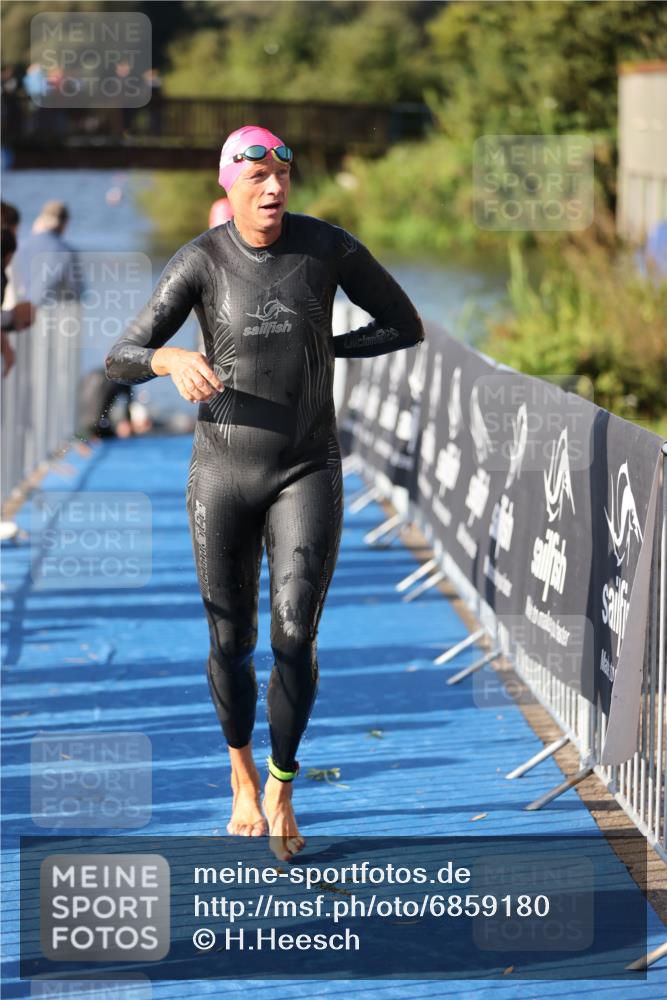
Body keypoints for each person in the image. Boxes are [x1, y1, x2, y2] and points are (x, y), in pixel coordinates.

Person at [105, 124, 425, 860]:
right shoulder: (201, 260)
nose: (274, 188)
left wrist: (325, 348)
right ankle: (240, 771)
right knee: (231, 643)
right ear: (229, 185)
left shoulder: (328, 247)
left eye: (282, 175)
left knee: (295, 637)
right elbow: (120, 356)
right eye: (257, 178)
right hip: (221, 473)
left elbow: (403, 325)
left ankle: (281, 782)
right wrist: (167, 359)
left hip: (306, 466)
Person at [11, 200, 83, 307]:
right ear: (66, 223)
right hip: (52, 310)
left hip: (23, 308)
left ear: (41, 219)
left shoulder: (20, 246)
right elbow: (77, 289)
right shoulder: (66, 251)